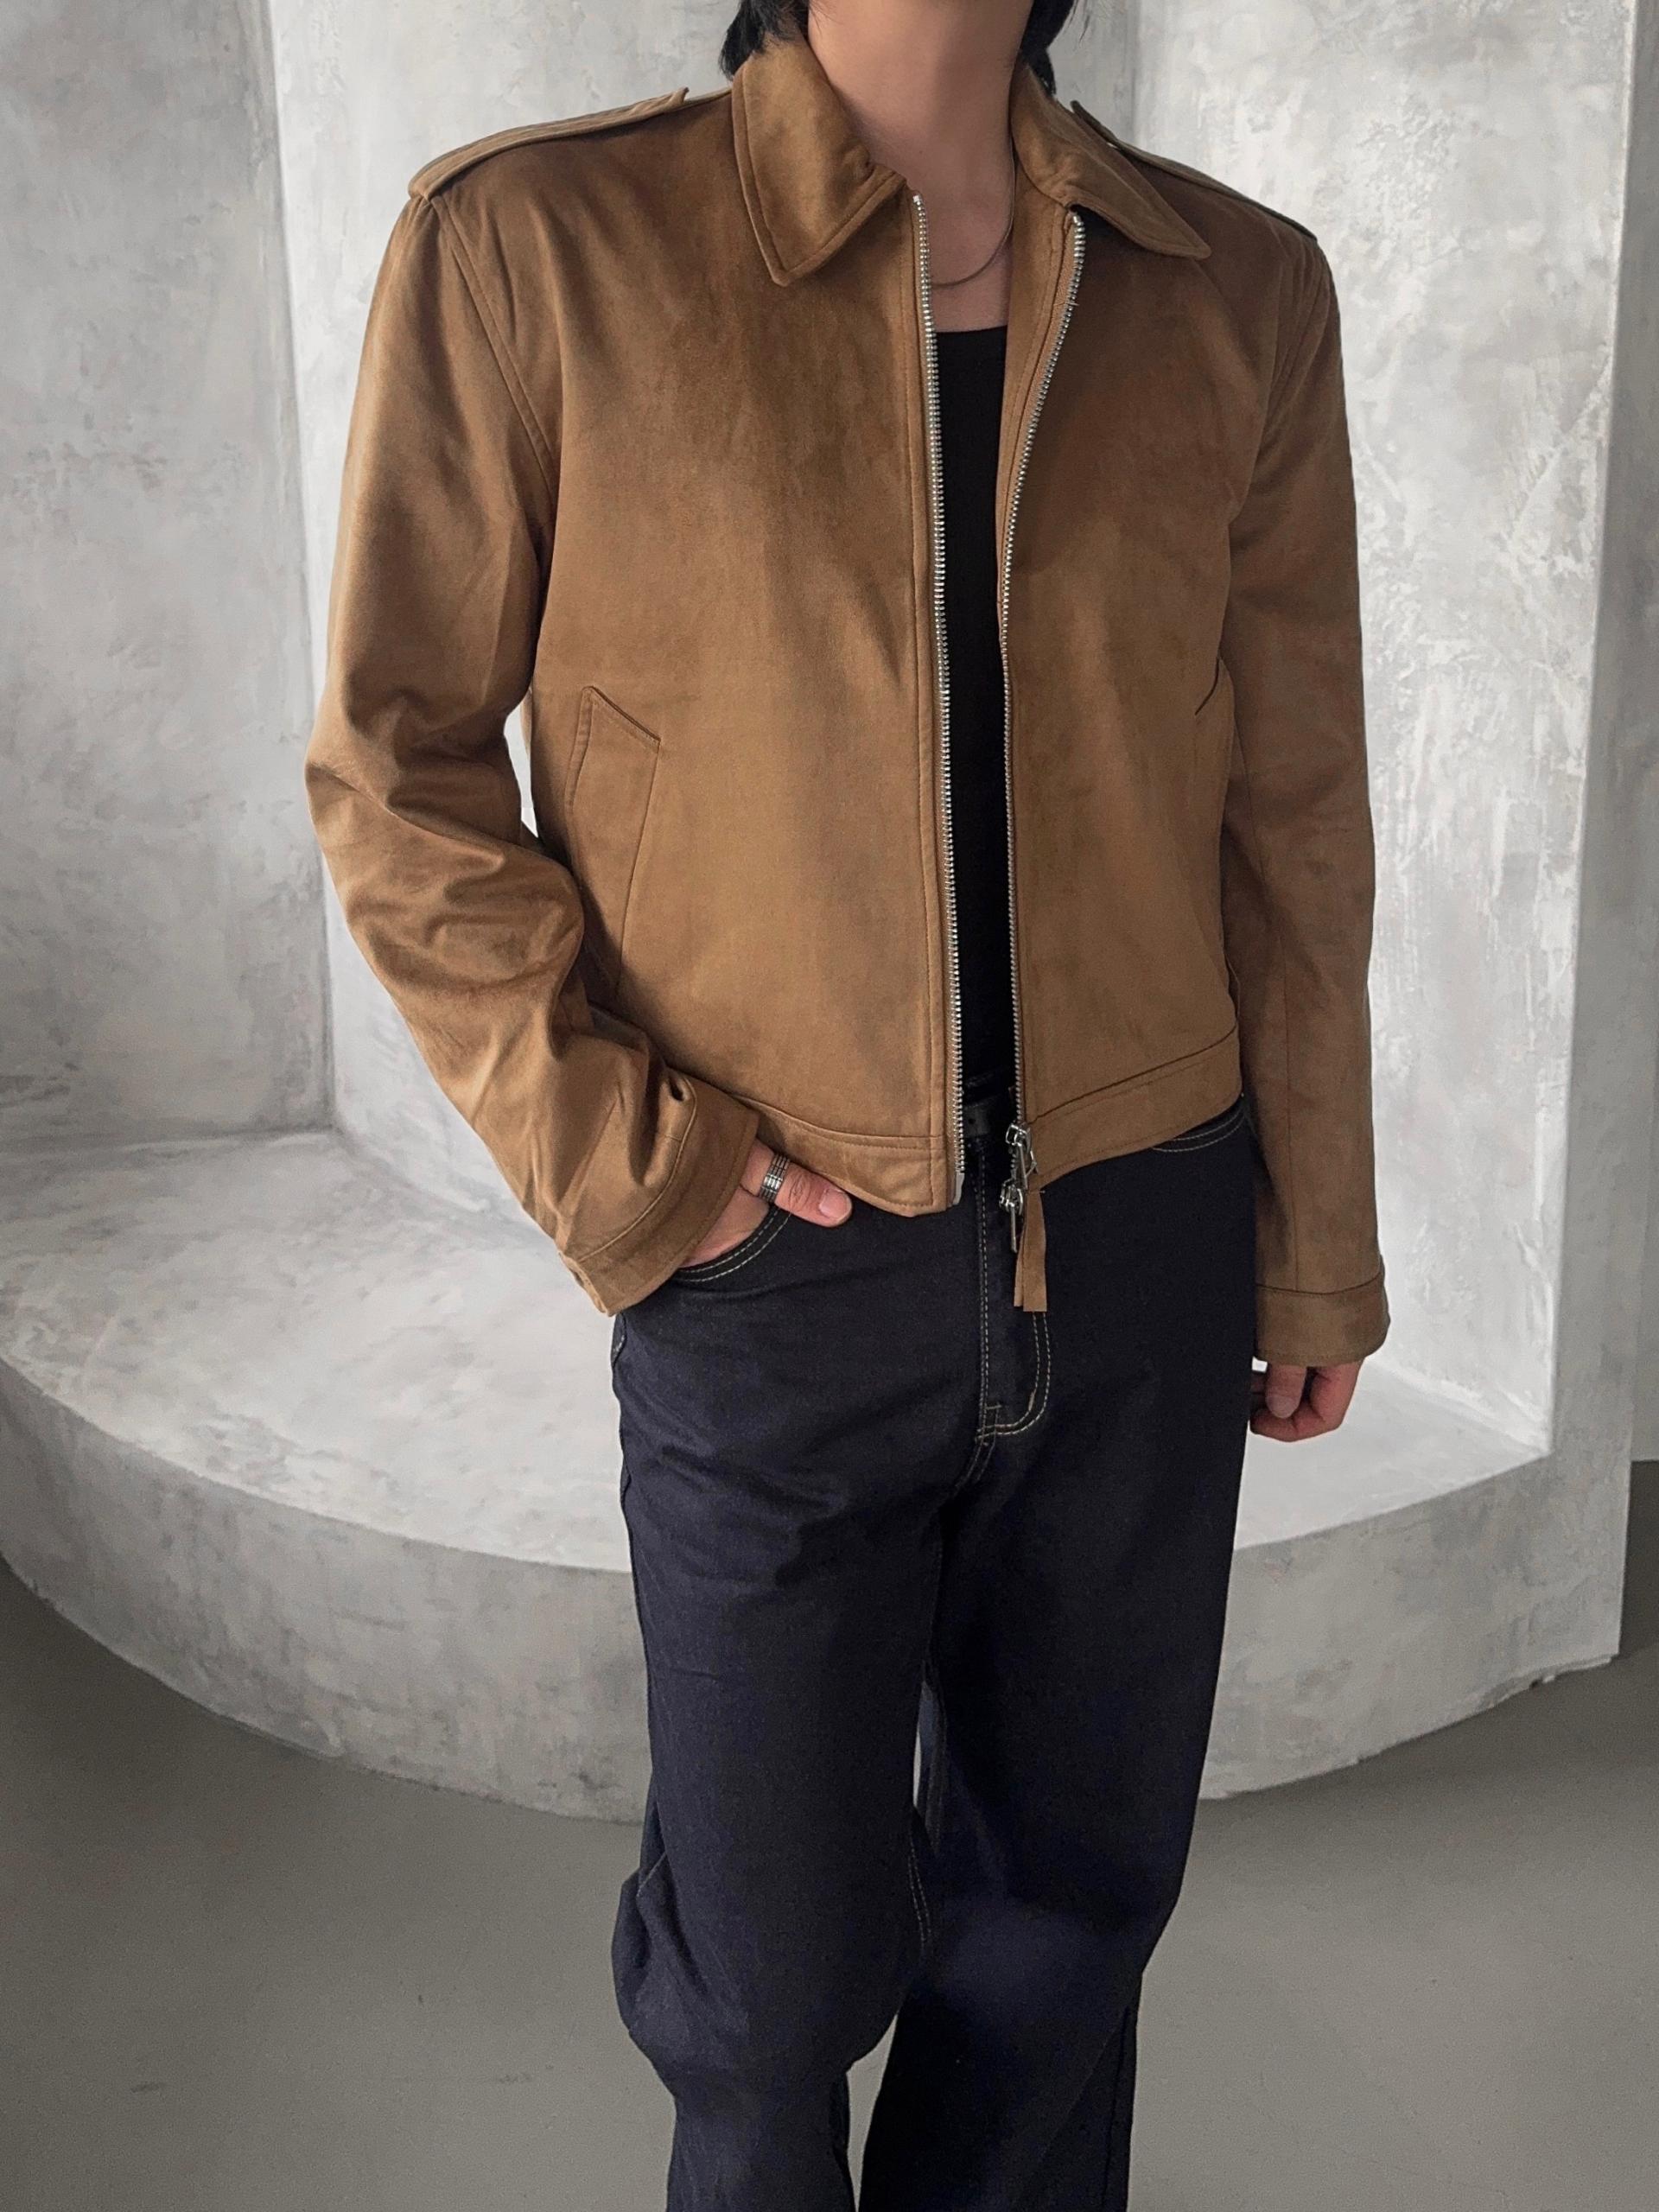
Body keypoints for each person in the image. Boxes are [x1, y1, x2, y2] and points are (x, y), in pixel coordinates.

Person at [304, 1, 1389, 2202]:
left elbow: (1291, 811)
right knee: (768, 1985)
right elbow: (395, 772)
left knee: (1068, 1922)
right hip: (775, 1266)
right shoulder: (539, 247)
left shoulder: (1233, 286)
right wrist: (642, 1173)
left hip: (1147, 1242)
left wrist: (1314, 1235)